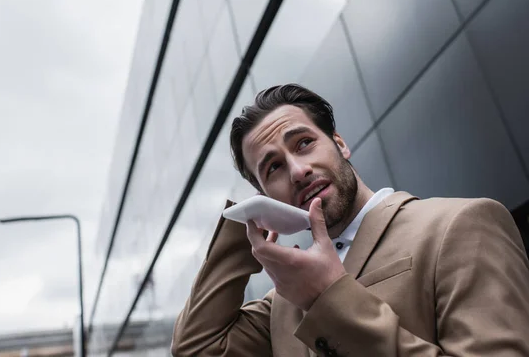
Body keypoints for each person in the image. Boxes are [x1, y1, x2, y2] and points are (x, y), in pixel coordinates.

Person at [171, 84, 529, 356]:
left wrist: (330, 298)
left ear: (340, 144)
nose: (298, 171)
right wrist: (244, 226)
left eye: (304, 143)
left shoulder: (462, 224)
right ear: (266, 196)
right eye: (274, 167)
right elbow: (197, 346)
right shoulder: (283, 301)